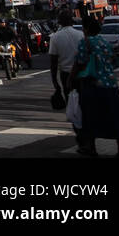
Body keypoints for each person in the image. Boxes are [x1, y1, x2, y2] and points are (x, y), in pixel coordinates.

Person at [71, 15, 119, 158]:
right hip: (110, 84)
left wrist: (70, 78)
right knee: (115, 115)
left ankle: (91, 147)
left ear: (85, 29)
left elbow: (80, 62)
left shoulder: (85, 43)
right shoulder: (105, 42)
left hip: (92, 84)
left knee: (90, 116)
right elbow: (115, 62)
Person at [48, 8, 84, 143]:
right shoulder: (80, 35)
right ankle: (86, 133)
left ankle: (79, 132)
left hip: (66, 77)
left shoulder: (55, 37)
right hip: (83, 74)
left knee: (73, 105)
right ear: (72, 21)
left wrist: (55, 82)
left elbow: (53, 63)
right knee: (84, 104)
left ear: (59, 23)